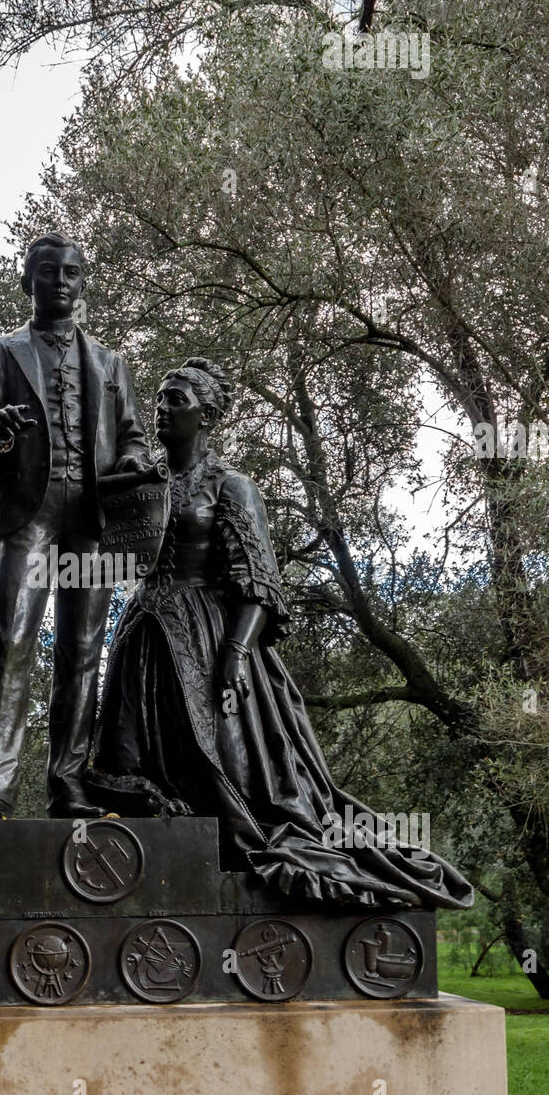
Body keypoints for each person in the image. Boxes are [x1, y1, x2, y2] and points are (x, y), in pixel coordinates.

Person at [88, 358, 473, 909]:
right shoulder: (143, 482)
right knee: (134, 763)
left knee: (230, 766)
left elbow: (258, 583)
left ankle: (232, 871)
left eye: (177, 400)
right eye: (160, 398)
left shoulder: (232, 487)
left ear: (207, 415)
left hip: (209, 633)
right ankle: (156, 874)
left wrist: (235, 654)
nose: (162, 408)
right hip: (144, 637)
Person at [0, 233, 153, 822]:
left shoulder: (112, 364)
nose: (59, 282)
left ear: (82, 283)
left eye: (70, 273)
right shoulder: (3, 352)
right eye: (47, 272)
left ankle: (68, 782)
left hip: (92, 518)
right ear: (27, 281)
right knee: (12, 644)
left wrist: (136, 459)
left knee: (83, 650)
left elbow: (133, 434)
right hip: (31, 514)